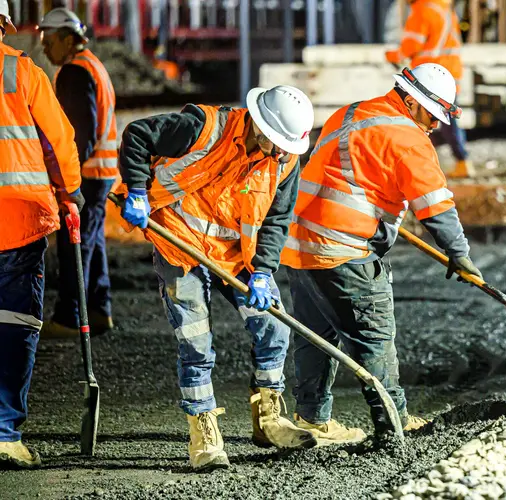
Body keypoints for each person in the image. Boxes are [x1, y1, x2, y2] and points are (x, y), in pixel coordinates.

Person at [281, 63, 483, 445]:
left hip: (300, 245)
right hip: (344, 250)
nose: (435, 125)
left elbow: (352, 176)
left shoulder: (351, 113)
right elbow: (436, 206)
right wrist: (459, 254)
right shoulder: (407, 137)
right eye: (431, 114)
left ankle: (311, 418)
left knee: (314, 336)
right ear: (410, 100)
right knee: (374, 336)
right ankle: (395, 423)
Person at [117, 85, 317, 471]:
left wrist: (262, 272)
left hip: (236, 253)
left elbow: (275, 220)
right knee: (196, 342)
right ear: (258, 124)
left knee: (274, 326)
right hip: (180, 241)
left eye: (285, 147)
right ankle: (204, 432)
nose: (278, 153)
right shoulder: (202, 127)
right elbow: (138, 135)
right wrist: (138, 191)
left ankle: (269, 417)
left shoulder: (286, 160)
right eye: (274, 143)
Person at [0, 0, 84, 468]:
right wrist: (71, 192)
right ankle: (5, 433)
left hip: (18, 222)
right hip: (18, 222)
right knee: (13, 324)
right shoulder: (24, 73)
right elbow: (58, 140)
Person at [38, 8, 119, 338]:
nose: (43, 47)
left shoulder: (74, 72)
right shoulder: (92, 65)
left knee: (75, 245)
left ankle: (70, 317)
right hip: (102, 172)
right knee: (92, 242)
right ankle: (99, 310)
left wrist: (64, 177)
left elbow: (80, 132)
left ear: (67, 39)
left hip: (86, 174)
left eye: (48, 40)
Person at [386, 0, 474, 178]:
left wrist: (392, 55)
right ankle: (452, 162)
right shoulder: (443, 8)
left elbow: (411, 46)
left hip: (431, 77)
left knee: (420, 120)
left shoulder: (422, 11)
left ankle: (459, 161)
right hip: (448, 73)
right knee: (439, 121)